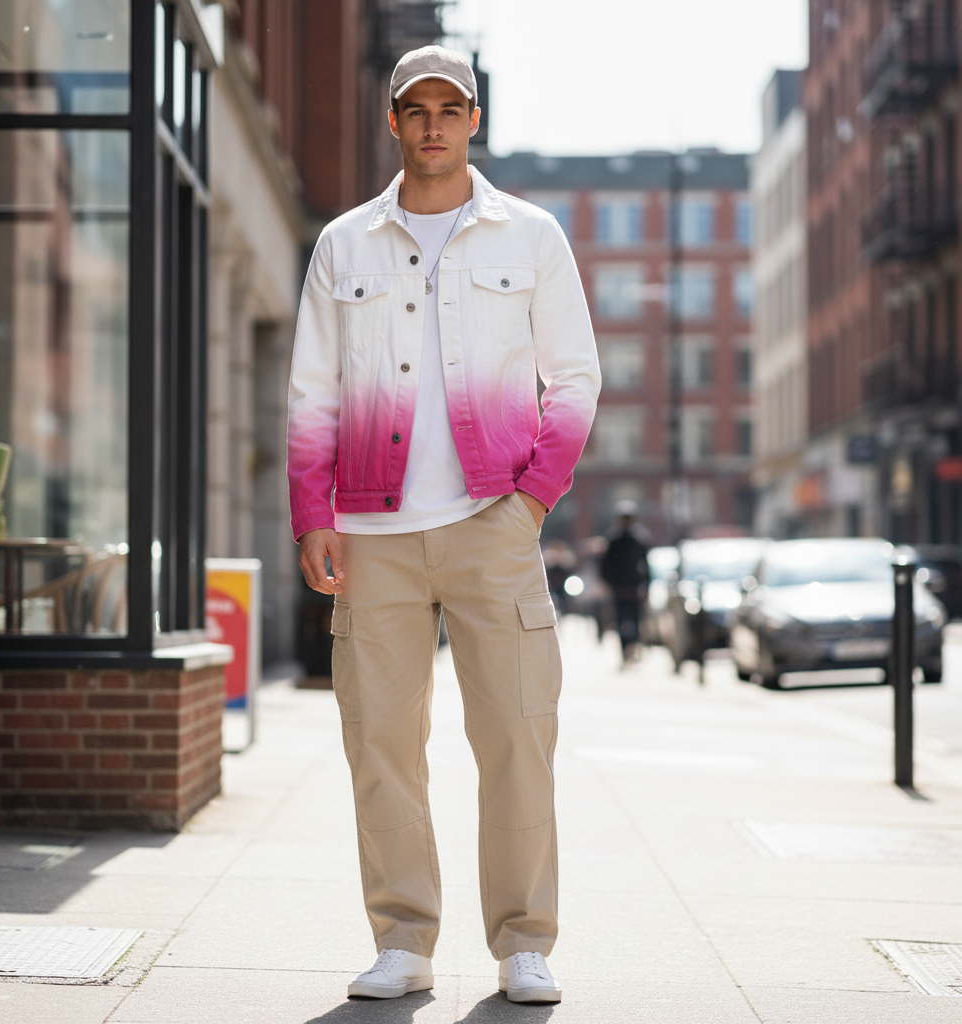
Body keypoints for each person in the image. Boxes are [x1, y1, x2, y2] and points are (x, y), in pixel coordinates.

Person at [286, 45, 600, 1003]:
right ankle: (404, 940)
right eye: (414, 109)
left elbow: (575, 379)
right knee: (380, 737)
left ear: (474, 121)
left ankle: (523, 943)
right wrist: (312, 516)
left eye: (448, 109)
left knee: (515, 735)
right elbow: (312, 395)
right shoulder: (344, 243)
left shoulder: (533, 236)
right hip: (370, 533)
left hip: (491, 522)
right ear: (393, 122)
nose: (431, 125)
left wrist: (532, 501)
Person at [599, 500, 649, 665]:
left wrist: (646, 586)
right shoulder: (613, 540)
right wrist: (609, 584)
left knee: (635, 620)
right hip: (619, 588)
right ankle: (625, 650)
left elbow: (645, 565)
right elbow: (605, 565)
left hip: (634, 588)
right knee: (621, 620)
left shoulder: (639, 540)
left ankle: (632, 648)